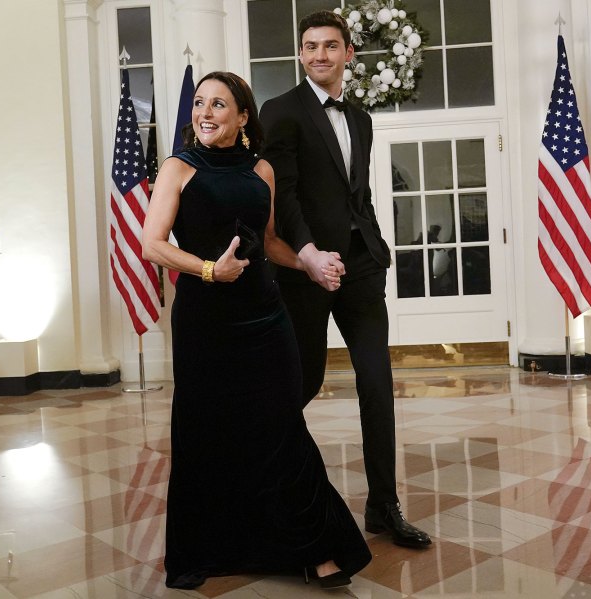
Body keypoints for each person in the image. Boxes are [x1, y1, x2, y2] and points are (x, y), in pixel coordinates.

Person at [142, 71, 371, 590]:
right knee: (206, 433)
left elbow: (267, 240)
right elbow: (152, 244)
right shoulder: (178, 168)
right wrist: (208, 269)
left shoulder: (260, 170)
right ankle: (205, 549)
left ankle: (314, 548)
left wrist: (307, 264)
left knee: (281, 429)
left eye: (218, 104)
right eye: (200, 103)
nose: (205, 112)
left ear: (243, 117)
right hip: (205, 320)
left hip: (265, 318)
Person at [259, 10, 432, 549]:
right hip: (304, 269)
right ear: (301, 54)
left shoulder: (360, 118)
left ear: (348, 53)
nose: (318, 56)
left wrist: (373, 247)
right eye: (309, 47)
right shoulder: (279, 112)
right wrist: (309, 255)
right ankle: (266, 491)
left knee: (377, 384)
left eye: (330, 46)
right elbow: (282, 195)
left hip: (359, 268)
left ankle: (384, 506)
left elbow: (357, 194)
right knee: (301, 384)